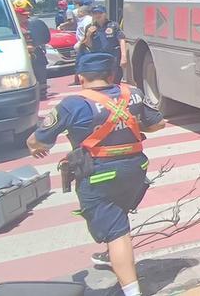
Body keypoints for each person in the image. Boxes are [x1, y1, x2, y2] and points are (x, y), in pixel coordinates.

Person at [26, 53, 164, 296]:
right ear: (111, 75)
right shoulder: (132, 93)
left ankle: (132, 292)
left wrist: (34, 146)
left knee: (116, 232)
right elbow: (155, 124)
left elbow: (39, 140)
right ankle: (113, 257)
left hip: (99, 175)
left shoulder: (73, 104)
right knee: (117, 216)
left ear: (80, 77)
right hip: (135, 170)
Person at [14, 0, 51, 98]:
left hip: (36, 54)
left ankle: (42, 94)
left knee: (41, 78)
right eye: (21, 14)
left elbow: (45, 37)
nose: (25, 16)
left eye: (26, 13)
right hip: (19, 56)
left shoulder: (35, 23)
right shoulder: (10, 26)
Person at [85, 6, 128, 84]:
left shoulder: (113, 25)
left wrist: (124, 57)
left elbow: (121, 40)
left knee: (115, 81)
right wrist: (88, 35)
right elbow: (88, 45)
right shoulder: (89, 27)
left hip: (113, 58)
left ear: (105, 14)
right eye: (95, 13)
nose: (98, 15)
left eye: (100, 13)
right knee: (101, 82)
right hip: (98, 59)